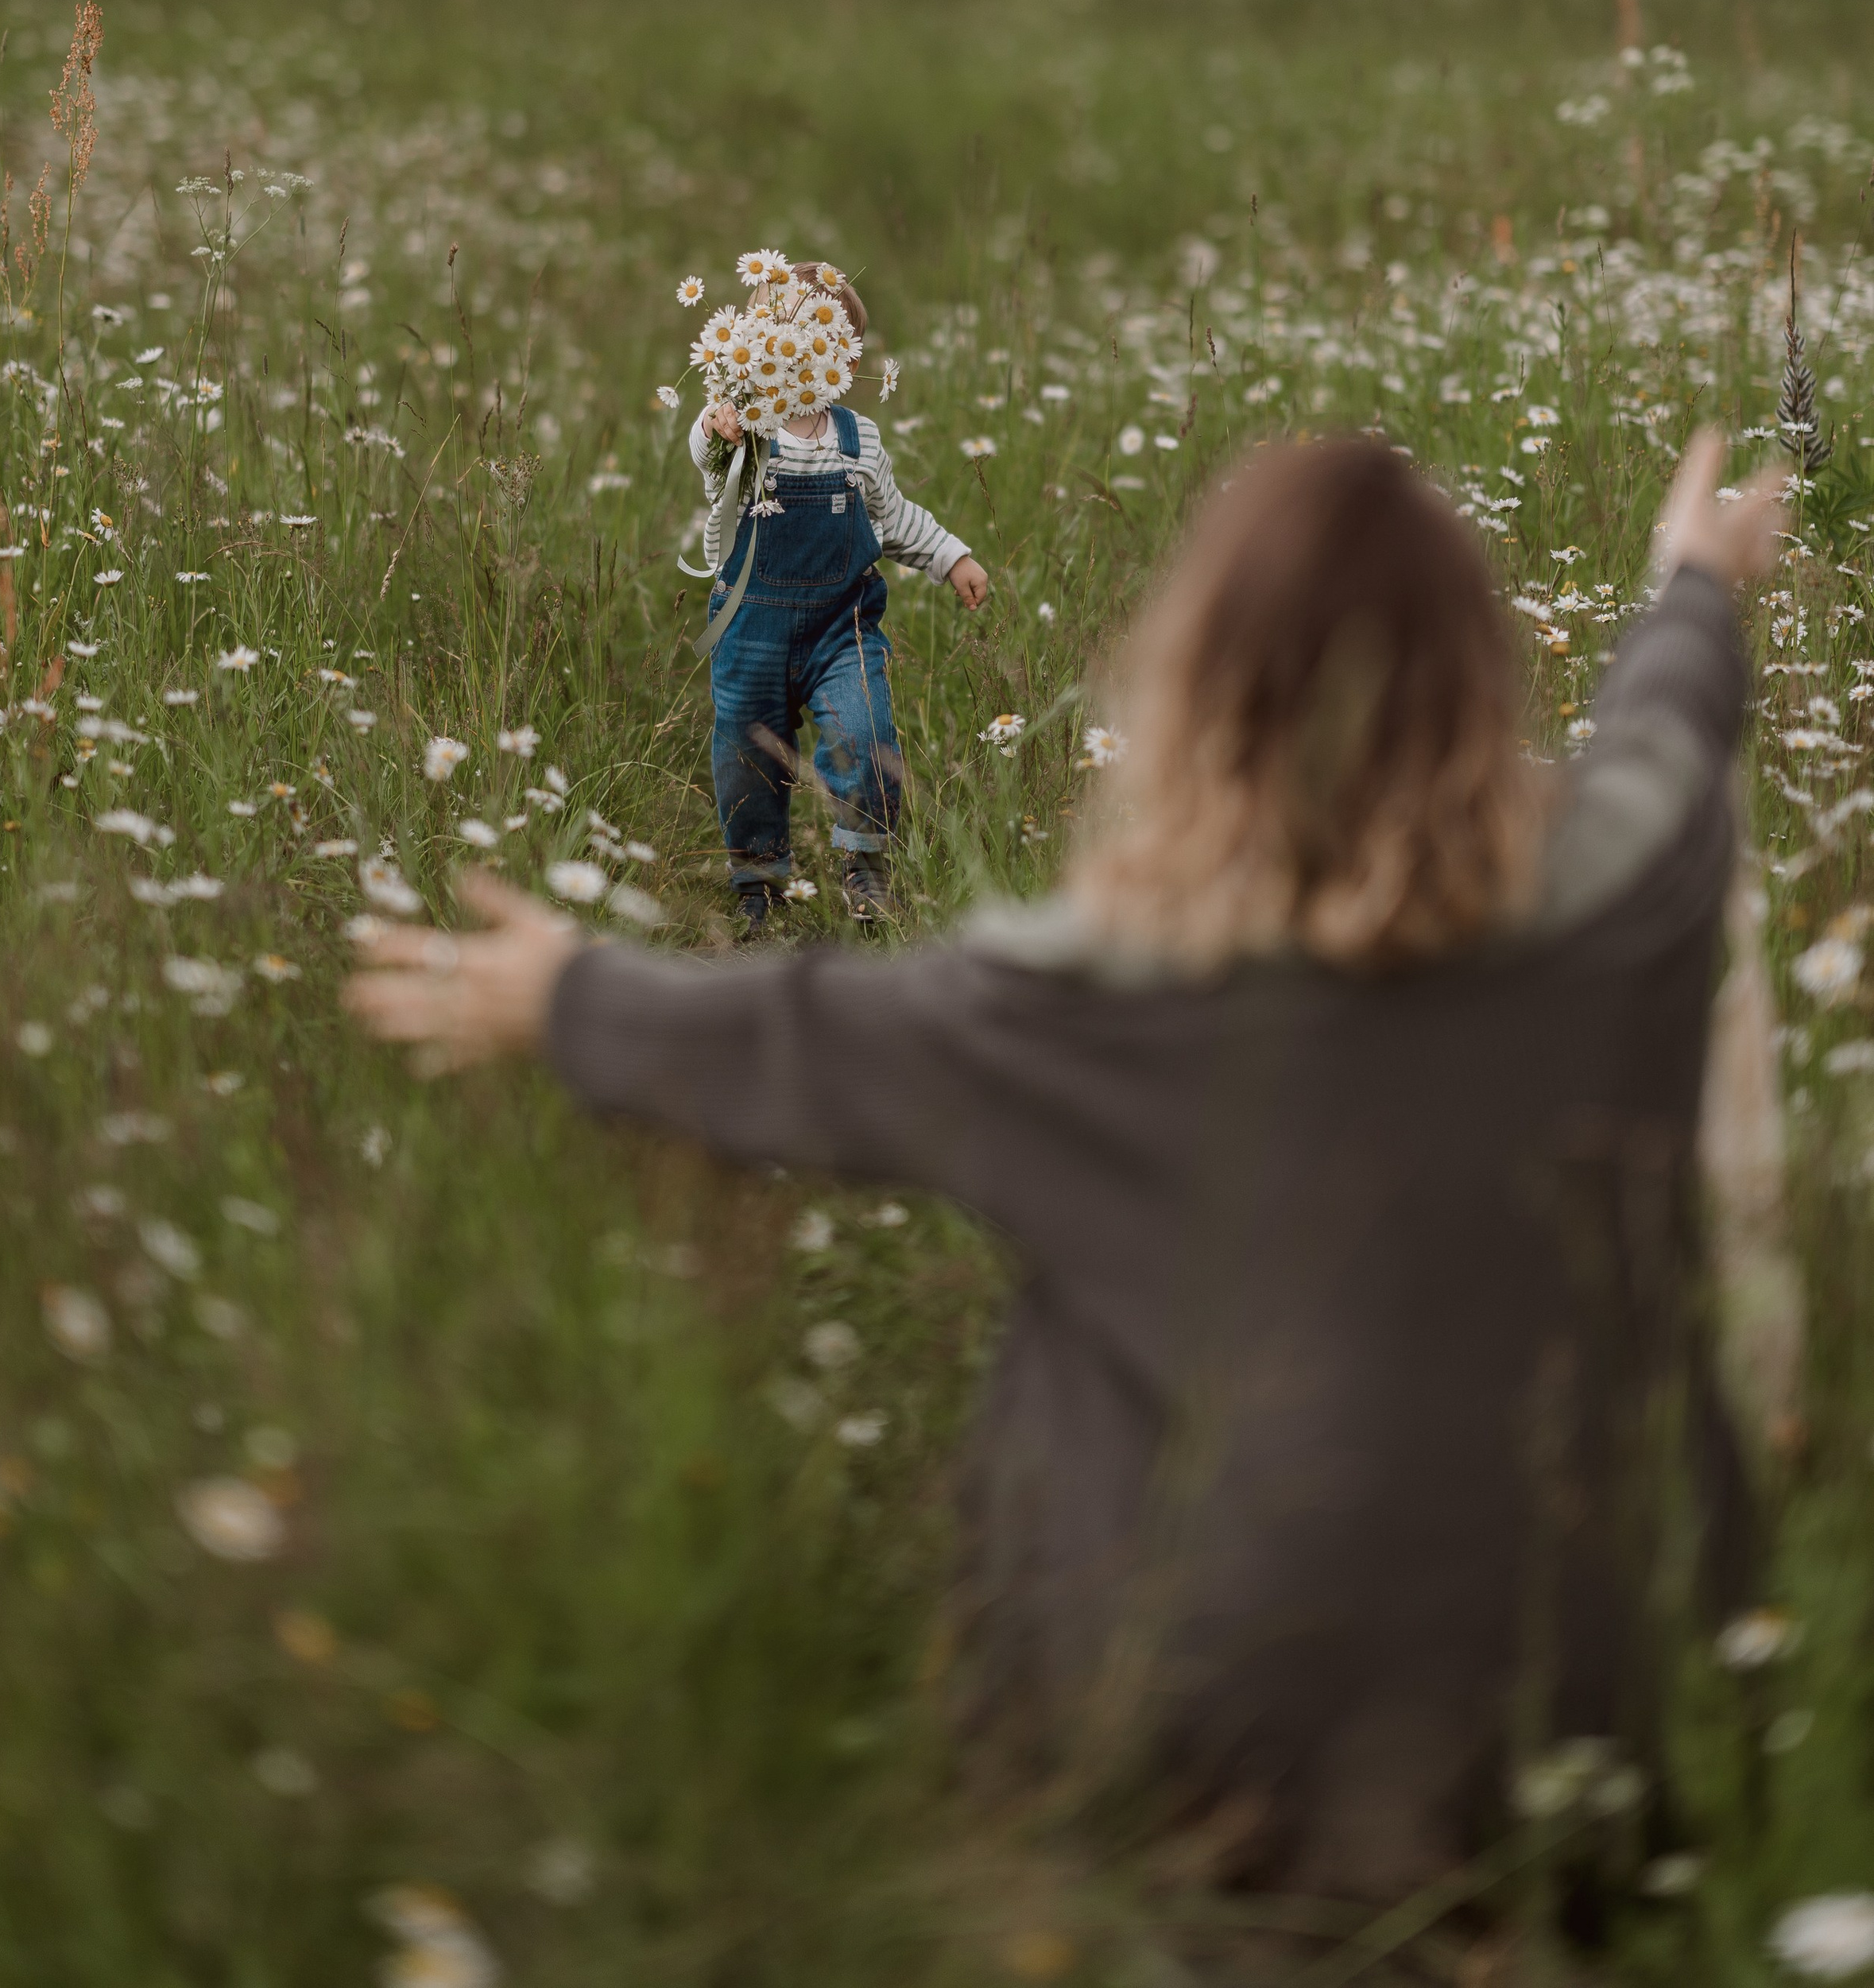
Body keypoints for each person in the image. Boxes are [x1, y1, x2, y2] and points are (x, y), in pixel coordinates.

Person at [347, 428, 1791, 1897]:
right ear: (1483, 685)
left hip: (1219, 1773)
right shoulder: (1631, 904)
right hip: (1613, 1737)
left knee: (1070, 1354)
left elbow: (800, 1038)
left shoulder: (1085, 1012)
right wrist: (1693, 585)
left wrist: (568, 996)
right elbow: (1664, 746)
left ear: (1198, 695)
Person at [688, 265, 988, 932]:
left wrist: (950, 556)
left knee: (865, 730)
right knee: (746, 751)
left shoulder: (858, 439)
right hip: (750, 628)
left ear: (843, 359)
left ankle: (866, 864)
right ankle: (758, 878)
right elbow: (705, 452)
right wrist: (717, 423)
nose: (794, 349)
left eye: (818, 339)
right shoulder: (743, 426)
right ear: (752, 341)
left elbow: (891, 516)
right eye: (776, 332)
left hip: (840, 629)